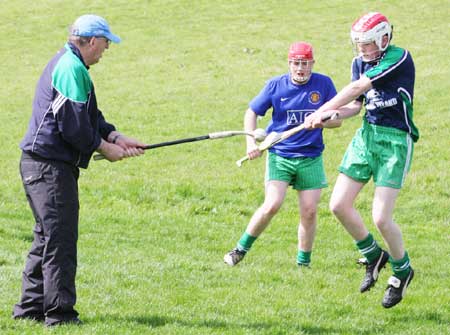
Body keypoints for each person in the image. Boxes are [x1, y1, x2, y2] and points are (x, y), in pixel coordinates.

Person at [12, 14, 145, 326]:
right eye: (106, 43)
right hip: (48, 168)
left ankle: (29, 310)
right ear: (93, 41)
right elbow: (73, 126)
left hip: (40, 165)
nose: (106, 50)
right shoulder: (71, 68)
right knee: (59, 241)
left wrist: (115, 136)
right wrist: (104, 148)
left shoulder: (71, 65)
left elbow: (89, 114)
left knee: (46, 238)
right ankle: (60, 316)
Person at [304, 12, 418, 308]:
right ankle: (373, 255)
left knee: (381, 217)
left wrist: (322, 108)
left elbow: (357, 88)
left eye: (367, 43)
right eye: (358, 43)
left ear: (384, 38)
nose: (362, 50)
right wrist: (329, 117)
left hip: (394, 140)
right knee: (338, 205)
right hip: (366, 135)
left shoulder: (399, 57)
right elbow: (355, 105)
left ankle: (402, 271)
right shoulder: (359, 62)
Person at [224, 42, 341, 268]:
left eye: (305, 64)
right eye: (296, 63)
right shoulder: (275, 86)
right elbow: (252, 112)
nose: (300, 69)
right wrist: (250, 141)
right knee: (272, 205)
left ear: (312, 64)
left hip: (310, 157)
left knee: (309, 211)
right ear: (289, 64)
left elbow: (338, 121)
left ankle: (303, 264)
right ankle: (240, 249)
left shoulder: (324, 84)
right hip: (280, 154)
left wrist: (323, 122)